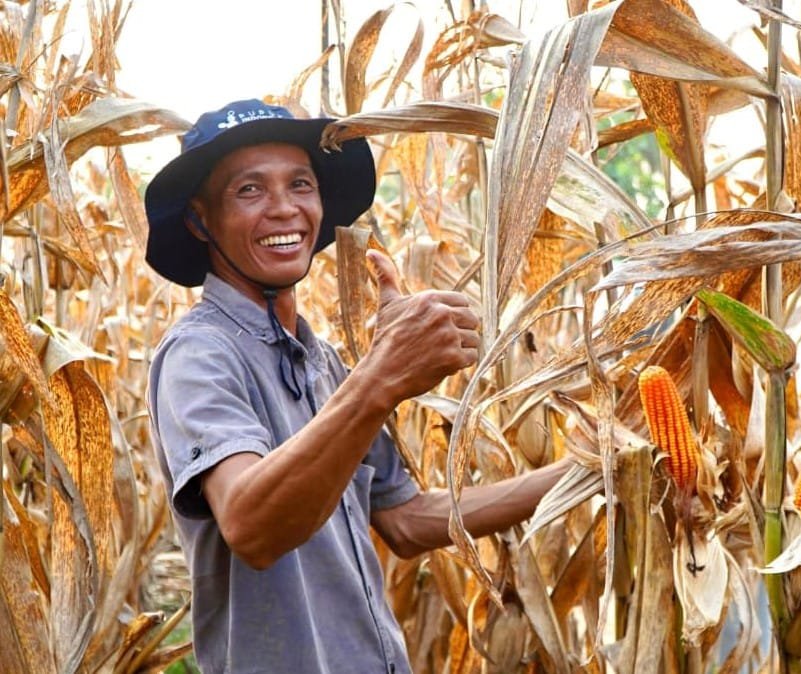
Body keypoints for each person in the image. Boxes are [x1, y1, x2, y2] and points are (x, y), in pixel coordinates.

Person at [144, 99, 570, 674]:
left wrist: (588, 473)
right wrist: (383, 375)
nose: (284, 209)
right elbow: (252, 526)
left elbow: (408, 522)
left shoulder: (322, 364)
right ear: (200, 220)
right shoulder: (200, 354)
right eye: (249, 190)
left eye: (301, 184)